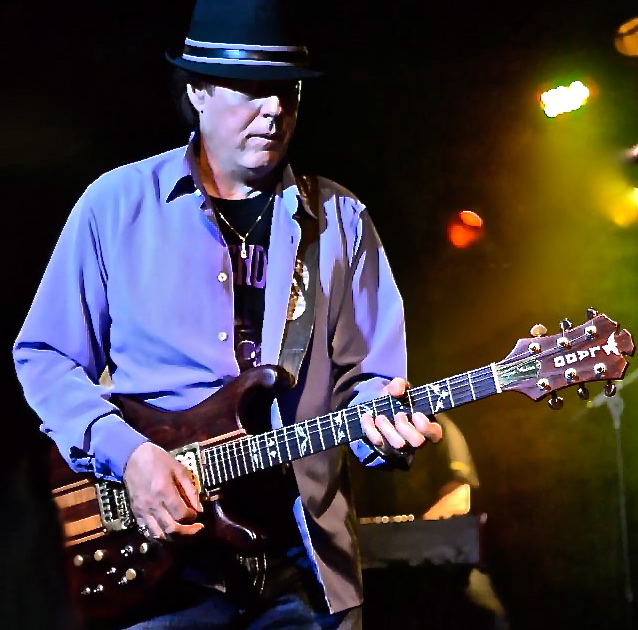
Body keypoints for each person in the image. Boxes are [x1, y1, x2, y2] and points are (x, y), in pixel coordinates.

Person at [12, 0, 442, 628]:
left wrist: (384, 428)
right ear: (198, 92)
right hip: (161, 576)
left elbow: (372, 379)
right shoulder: (116, 205)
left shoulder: (342, 220)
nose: (274, 108)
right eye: (251, 88)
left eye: (287, 90)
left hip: (303, 573)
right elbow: (46, 356)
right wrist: (127, 454)